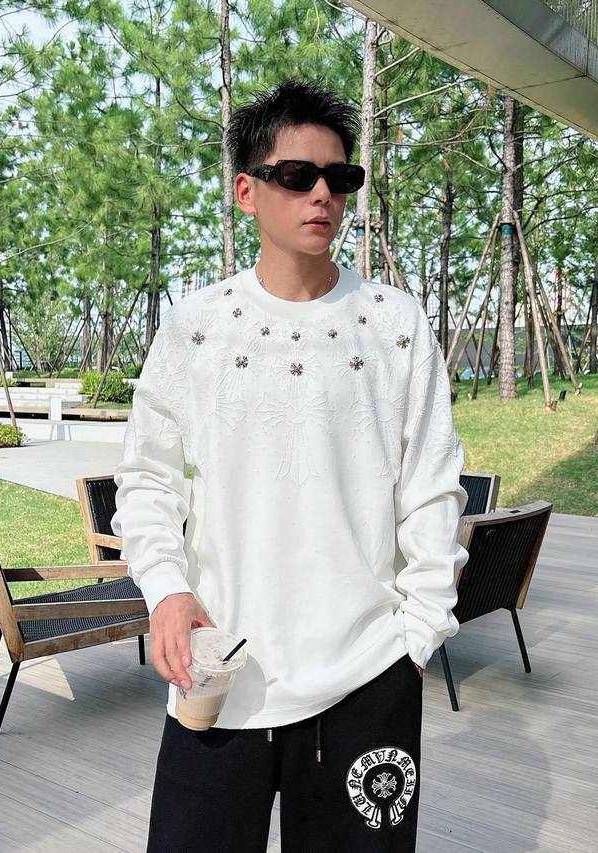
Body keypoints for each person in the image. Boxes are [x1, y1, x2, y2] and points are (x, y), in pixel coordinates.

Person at [111, 78, 469, 853]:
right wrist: (166, 591)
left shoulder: (396, 326)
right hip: (220, 671)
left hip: (368, 675)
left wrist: (416, 637)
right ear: (247, 190)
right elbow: (145, 479)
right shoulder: (196, 328)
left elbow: (434, 489)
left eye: (340, 177)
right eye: (297, 175)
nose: (322, 195)